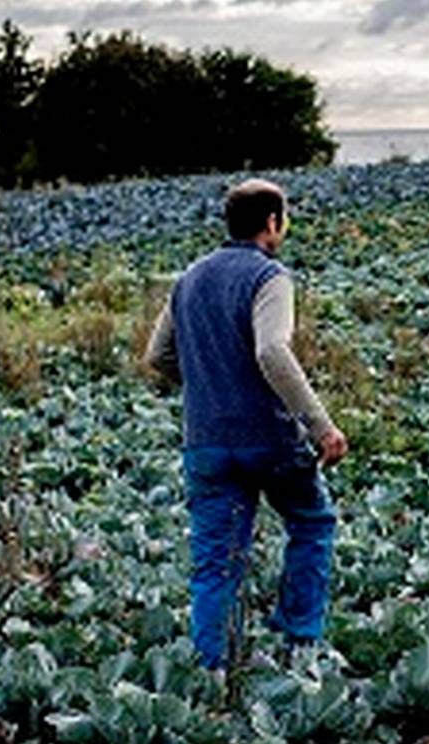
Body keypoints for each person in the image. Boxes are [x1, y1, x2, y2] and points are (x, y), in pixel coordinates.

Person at [143, 178, 349, 672]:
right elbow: (272, 350)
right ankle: (299, 641)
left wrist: (207, 386)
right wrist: (321, 426)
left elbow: (157, 356)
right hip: (269, 438)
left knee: (215, 561)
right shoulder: (269, 277)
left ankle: (211, 670)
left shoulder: (189, 278)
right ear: (272, 223)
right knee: (312, 522)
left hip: (207, 442)